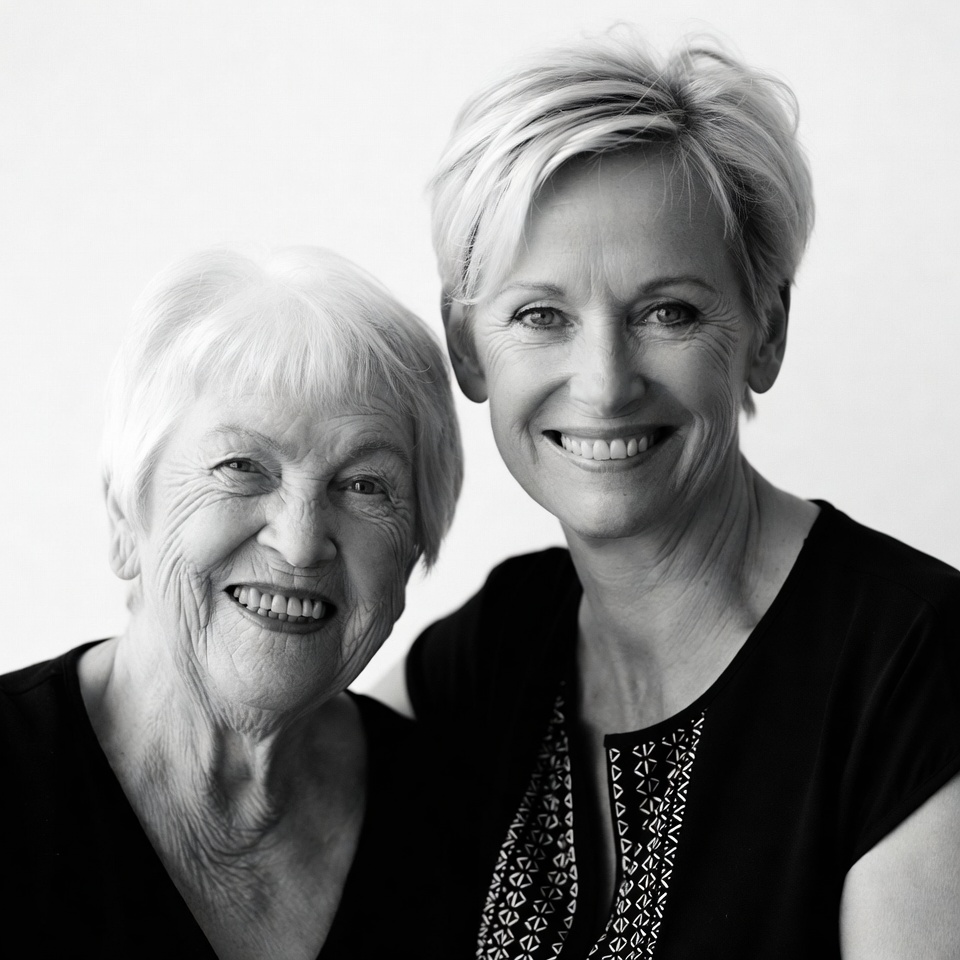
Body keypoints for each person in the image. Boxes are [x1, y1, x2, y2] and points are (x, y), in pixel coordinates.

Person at [402, 31, 960, 959]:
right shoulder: (503, 640)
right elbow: (272, 764)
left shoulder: (915, 668)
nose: (605, 382)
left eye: (669, 312)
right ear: (468, 349)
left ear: (766, 332)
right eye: (541, 316)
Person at [0, 246, 462, 958]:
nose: (302, 541)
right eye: (243, 467)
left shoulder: (462, 823)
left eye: (366, 485)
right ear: (127, 516)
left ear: (416, 550)